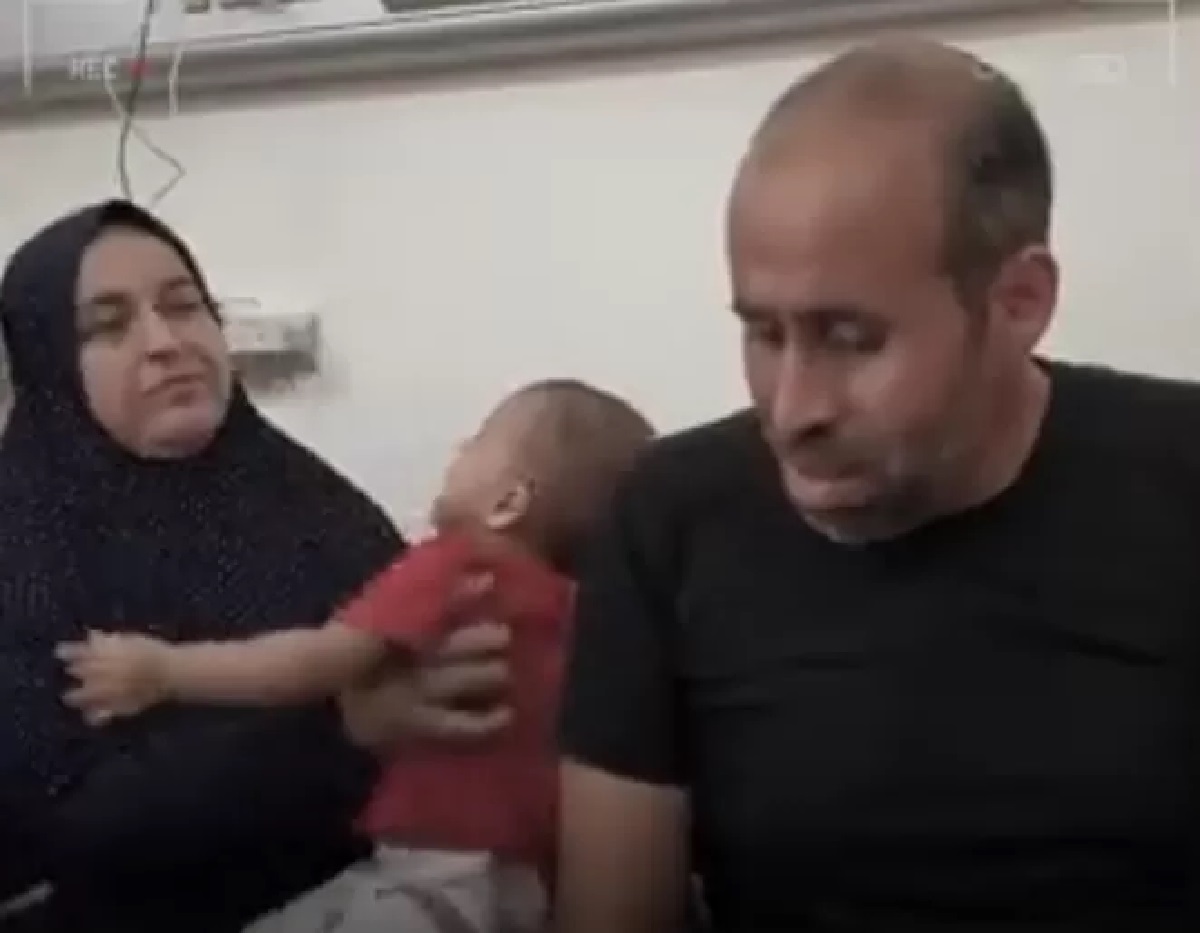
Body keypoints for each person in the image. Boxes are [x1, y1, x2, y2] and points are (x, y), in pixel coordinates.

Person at [556, 39, 1200, 932]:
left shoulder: (1178, 476)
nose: (793, 411)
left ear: (1018, 301)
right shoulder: (670, 518)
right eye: (763, 333)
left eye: (851, 338)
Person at [0, 199, 509, 933]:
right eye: (109, 325)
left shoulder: (305, 499)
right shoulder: (24, 551)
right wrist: (341, 732)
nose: (166, 342)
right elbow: (68, 827)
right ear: (49, 365)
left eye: (184, 306)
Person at [57, 378, 654, 933]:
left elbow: (313, 663)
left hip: (434, 874)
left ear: (508, 501)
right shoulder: (586, 614)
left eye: (476, 443)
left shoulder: (453, 567)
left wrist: (164, 671)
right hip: (529, 884)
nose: (456, 450)